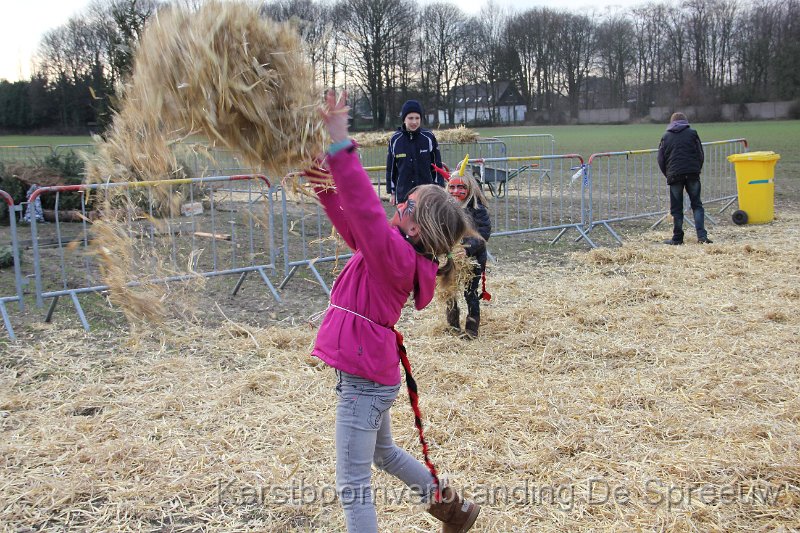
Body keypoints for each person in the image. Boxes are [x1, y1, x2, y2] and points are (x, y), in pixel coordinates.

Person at [309, 89, 481, 533]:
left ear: (417, 227)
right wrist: (323, 185)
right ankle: (455, 511)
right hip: (373, 371)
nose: (398, 204)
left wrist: (339, 144)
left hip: (365, 381)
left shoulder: (395, 256)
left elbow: (365, 211)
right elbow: (354, 227)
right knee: (384, 454)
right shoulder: (399, 253)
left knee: (352, 484)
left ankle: (452, 510)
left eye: (406, 204)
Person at [445, 165, 491, 338]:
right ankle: (452, 325)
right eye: (452, 187)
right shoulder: (444, 209)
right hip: (449, 259)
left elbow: (482, 234)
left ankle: (471, 328)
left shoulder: (478, 209)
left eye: (461, 187)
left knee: (469, 292)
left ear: (470, 188)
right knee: (449, 291)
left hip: (473, 260)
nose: (456, 191)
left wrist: (466, 250)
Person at [657, 112, 713, 245]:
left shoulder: (666, 136)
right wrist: (697, 169)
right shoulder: (693, 134)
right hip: (693, 173)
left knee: (676, 208)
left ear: (671, 123)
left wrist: (668, 174)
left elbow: (660, 159)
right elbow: (700, 153)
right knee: (697, 205)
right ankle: (702, 236)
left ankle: (677, 238)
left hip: (675, 175)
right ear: (685, 122)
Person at [386, 99, 444, 205]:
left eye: (417, 118)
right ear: (404, 119)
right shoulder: (395, 140)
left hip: (427, 195)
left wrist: (439, 188)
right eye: (410, 118)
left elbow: (437, 165)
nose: (414, 122)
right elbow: (391, 169)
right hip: (403, 195)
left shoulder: (429, 137)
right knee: (405, 222)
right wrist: (392, 192)